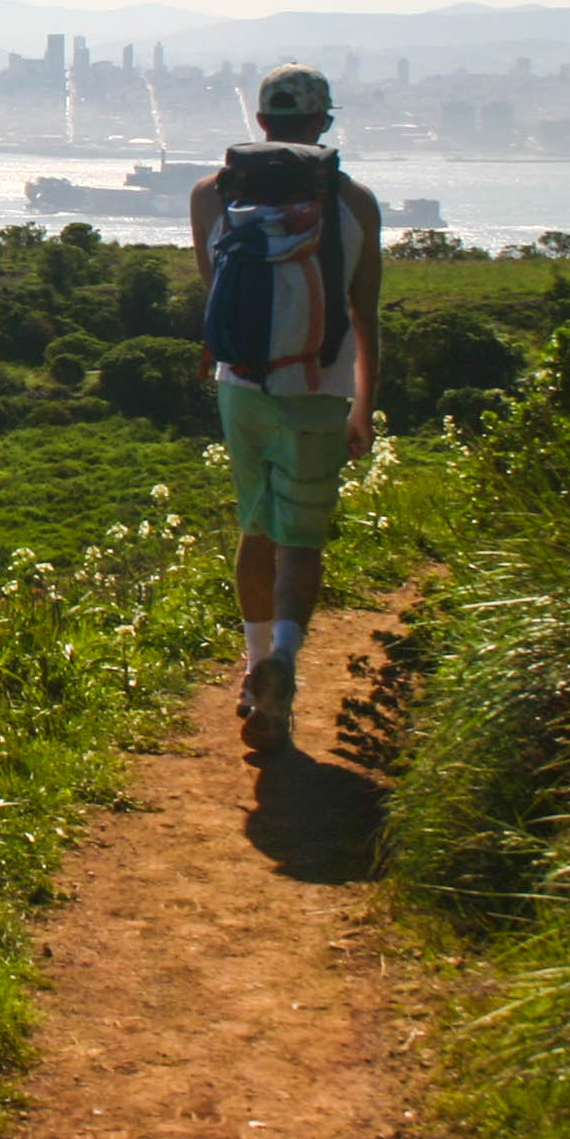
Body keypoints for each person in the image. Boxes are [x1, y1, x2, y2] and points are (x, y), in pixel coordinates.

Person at [189, 65, 382, 753]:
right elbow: (365, 315)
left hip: (242, 383)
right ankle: (286, 661)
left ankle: (250, 667)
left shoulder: (212, 196)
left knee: (255, 524)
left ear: (262, 119)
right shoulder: (354, 202)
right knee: (301, 541)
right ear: (323, 122)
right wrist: (364, 408)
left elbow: (217, 294)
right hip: (322, 389)